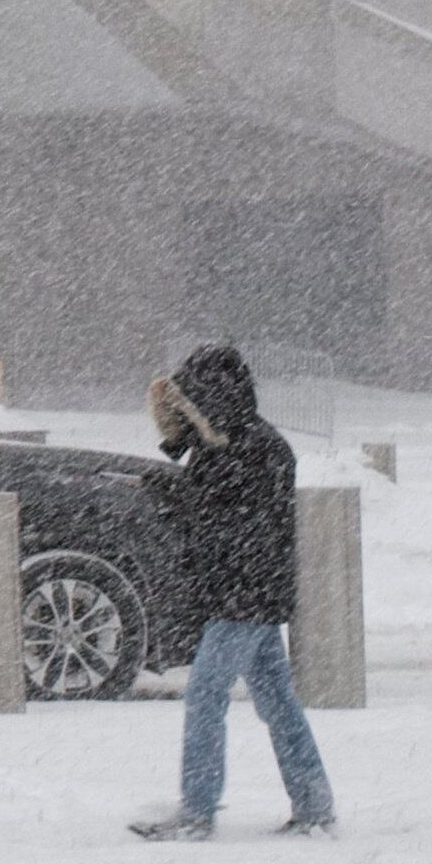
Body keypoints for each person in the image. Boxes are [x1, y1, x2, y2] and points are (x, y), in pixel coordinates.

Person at [129, 344, 339, 839]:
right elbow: (219, 515)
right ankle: (314, 806)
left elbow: (239, 525)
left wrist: (180, 496)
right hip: (245, 594)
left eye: (189, 402)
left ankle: (197, 813)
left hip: (244, 596)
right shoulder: (227, 446)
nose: (182, 413)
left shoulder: (255, 449)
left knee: (206, 697)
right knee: (279, 705)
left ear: (212, 400)